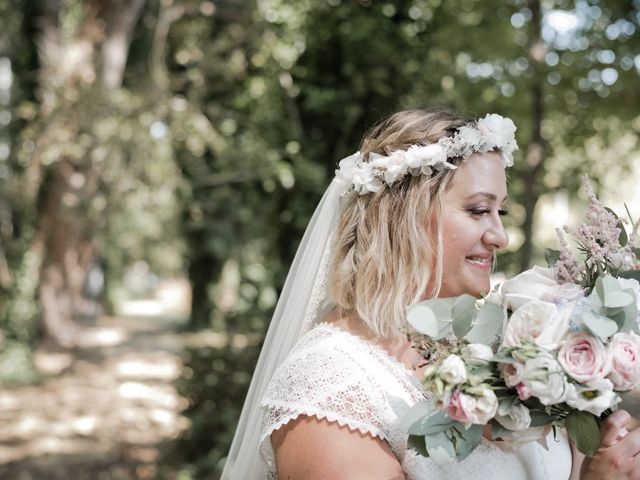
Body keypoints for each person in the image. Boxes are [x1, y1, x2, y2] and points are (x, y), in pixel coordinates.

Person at [221, 109, 640, 479]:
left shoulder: (496, 345)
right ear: (403, 216)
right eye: (478, 210)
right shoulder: (328, 385)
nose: (501, 236)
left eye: (501, 211)